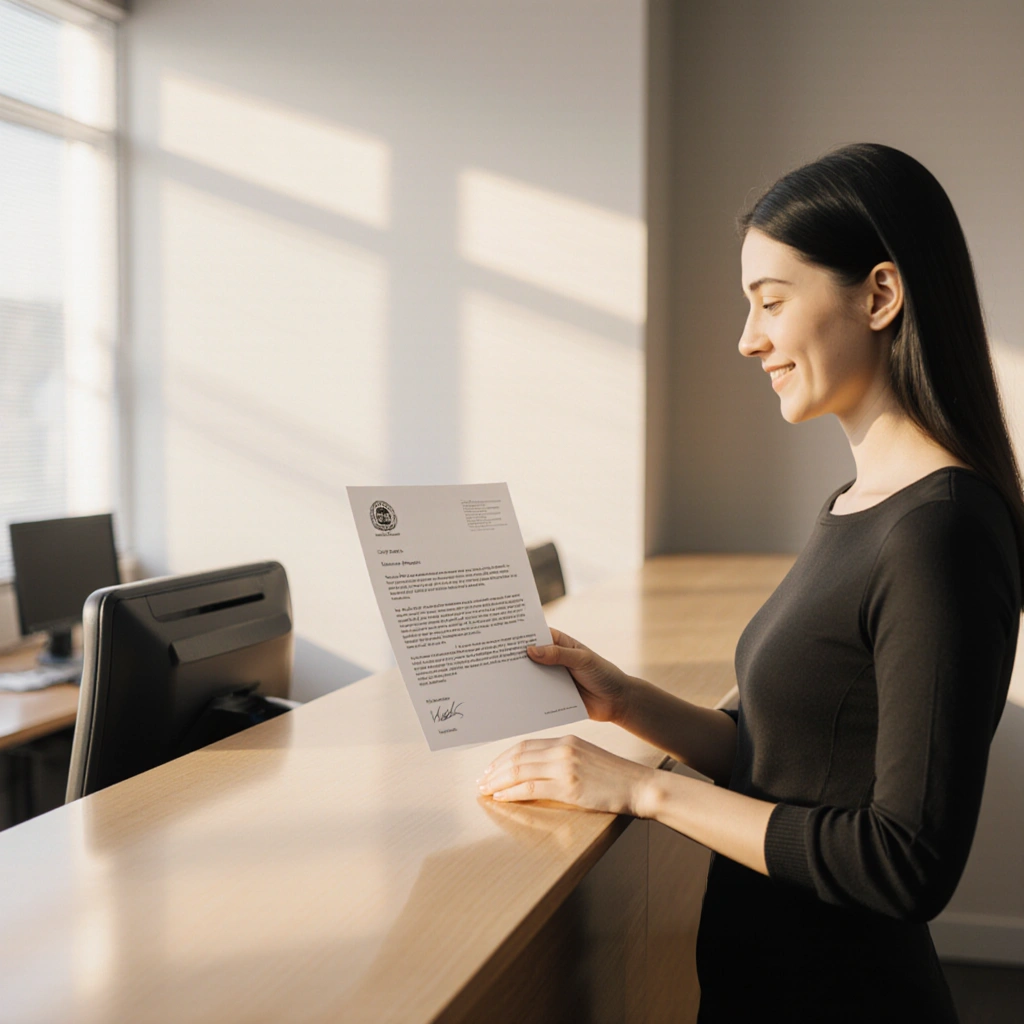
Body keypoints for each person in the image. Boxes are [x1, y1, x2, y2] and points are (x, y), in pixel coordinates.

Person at [475, 143, 1024, 1021]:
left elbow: (903, 863)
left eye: (771, 301)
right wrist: (625, 701)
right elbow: (790, 761)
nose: (748, 338)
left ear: (881, 295)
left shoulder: (939, 531)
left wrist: (646, 789)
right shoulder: (861, 502)